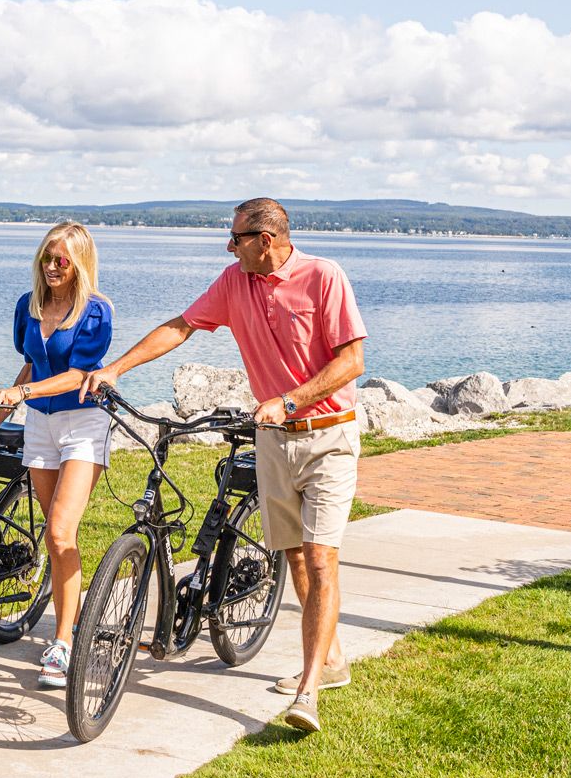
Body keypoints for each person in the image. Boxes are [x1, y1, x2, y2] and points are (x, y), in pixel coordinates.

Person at [83, 197, 365, 733]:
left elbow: (352, 360)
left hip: (327, 436)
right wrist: (117, 367)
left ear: (266, 238)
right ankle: (331, 661)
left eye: (236, 238)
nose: (228, 246)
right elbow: (181, 326)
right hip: (273, 441)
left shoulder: (324, 277)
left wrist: (290, 399)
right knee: (296, 558)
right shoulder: (234, 282)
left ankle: (306, 693)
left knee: (322, 557)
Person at [0, 221, 114, 693]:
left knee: (59, 530)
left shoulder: (96, 312)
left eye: (62, 260)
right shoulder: (27, 307)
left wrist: (23, 390)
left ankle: (64, 641)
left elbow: (78, 375)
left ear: (79, 264)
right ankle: (66, 612)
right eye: (47, 257)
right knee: (52, 538)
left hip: (83, 424)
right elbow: (32, 362)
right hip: (39, 425)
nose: (52, 266)